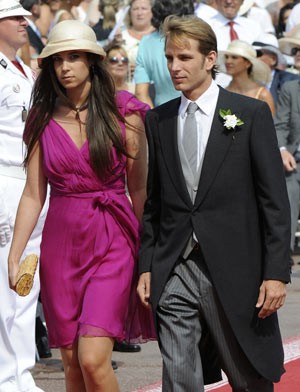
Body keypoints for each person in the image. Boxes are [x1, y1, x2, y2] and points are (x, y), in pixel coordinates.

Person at [137, 14, 291, 392]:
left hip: (236, 269)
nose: (175, 67)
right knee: (179, 375)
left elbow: (274, 201)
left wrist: (276, 273)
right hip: (175, 267)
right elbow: (155, 203)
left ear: (210, 59)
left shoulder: (249, 114)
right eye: (170, 58)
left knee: (246, 377)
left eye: (185, 58)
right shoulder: (158, 120)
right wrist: (147, 265)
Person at [8, 19, 155, 391]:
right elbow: (32, 193)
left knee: (92, 358)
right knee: (72, 363)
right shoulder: (42, 117)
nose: (65, 67)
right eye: (58, 59)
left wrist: (150, 258)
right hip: (61, 243)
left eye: (74, 57)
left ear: (92, 60)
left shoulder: (125, 112)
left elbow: (140, 191)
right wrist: (15, 252)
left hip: (113, 237)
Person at [0, 1, 48, 391]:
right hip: (5, 181)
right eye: (14, 16)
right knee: (4, 281)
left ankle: (21, 372)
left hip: (33, 182)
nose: (24, 21)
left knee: (25, 281)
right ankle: (5, 376)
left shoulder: (24, 69)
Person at [134, 0, 194, 108]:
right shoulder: (194, 38)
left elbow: (141, 93)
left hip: (162, 115)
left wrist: (153, 120)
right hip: (195, 110)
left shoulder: (146, 43)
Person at [274, 79, 300, 266]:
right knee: (288, 199)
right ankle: (285, 253)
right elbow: (280, 124)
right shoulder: (291, 89)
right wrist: (282, 150)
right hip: (294, 160)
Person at [220, 40, 275, 115]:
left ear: (248, 63)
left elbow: (270, 125)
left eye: (234, 57)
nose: (228, 61)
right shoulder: (223, 93)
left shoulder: (262, 95)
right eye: (226, 57)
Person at [253, 33, 299, 103]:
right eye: (295, 51)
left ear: (273, 59)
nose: (252, 58)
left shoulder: (290, 81)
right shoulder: (245, 80)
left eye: (258, 54)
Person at [121, 0, 155, 81]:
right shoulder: (121, 36)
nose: (139, 13)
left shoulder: (160, 36)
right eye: (135, 9)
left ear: (152, 11)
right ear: (129, 12)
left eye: (144, 8)